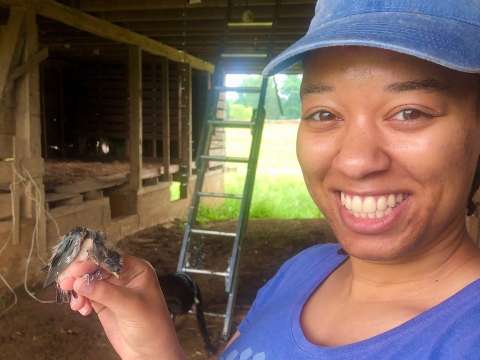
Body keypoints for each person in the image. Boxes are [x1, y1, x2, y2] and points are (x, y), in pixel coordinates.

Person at [59, 0, 480, 358]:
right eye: (324, 114)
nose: (355, 162)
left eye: (410, 112)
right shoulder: (302, 272)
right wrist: (152, 344)